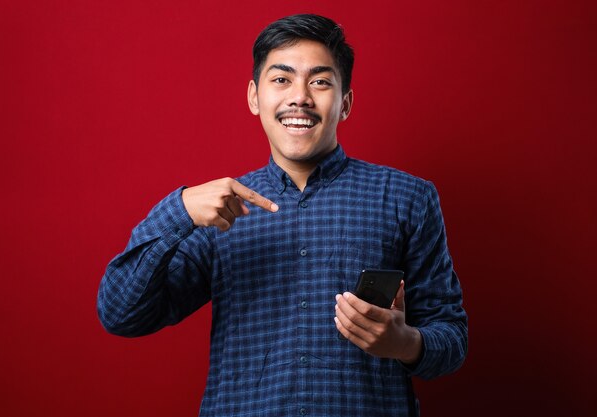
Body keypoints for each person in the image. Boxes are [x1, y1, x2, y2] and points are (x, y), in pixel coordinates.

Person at [97, 14, 467, 417]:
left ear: (345, 103)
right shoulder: (219, 211)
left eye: (320, 81)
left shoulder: (407, 197)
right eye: (282, 79)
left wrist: (405, 343)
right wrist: (178, 210)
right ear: (255, 97)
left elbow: (452, 339)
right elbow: (121, 314)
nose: (300, 97)